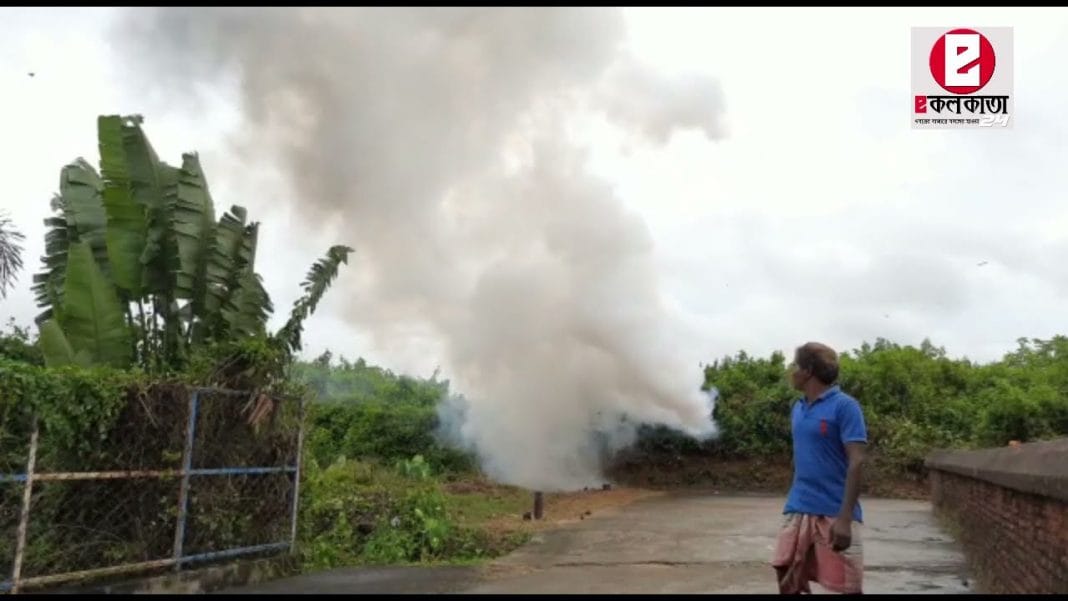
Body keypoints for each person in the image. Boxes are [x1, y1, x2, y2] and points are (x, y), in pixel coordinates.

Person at [771, 342, 867, 594]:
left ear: (808, 371)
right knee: (785, 572)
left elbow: (857, 460)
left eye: (795, 365)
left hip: (835, 510)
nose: (791, 370)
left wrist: (845, 519)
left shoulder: (845, 407)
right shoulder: (798, 408)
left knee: (848, 586)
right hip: (800, 504)